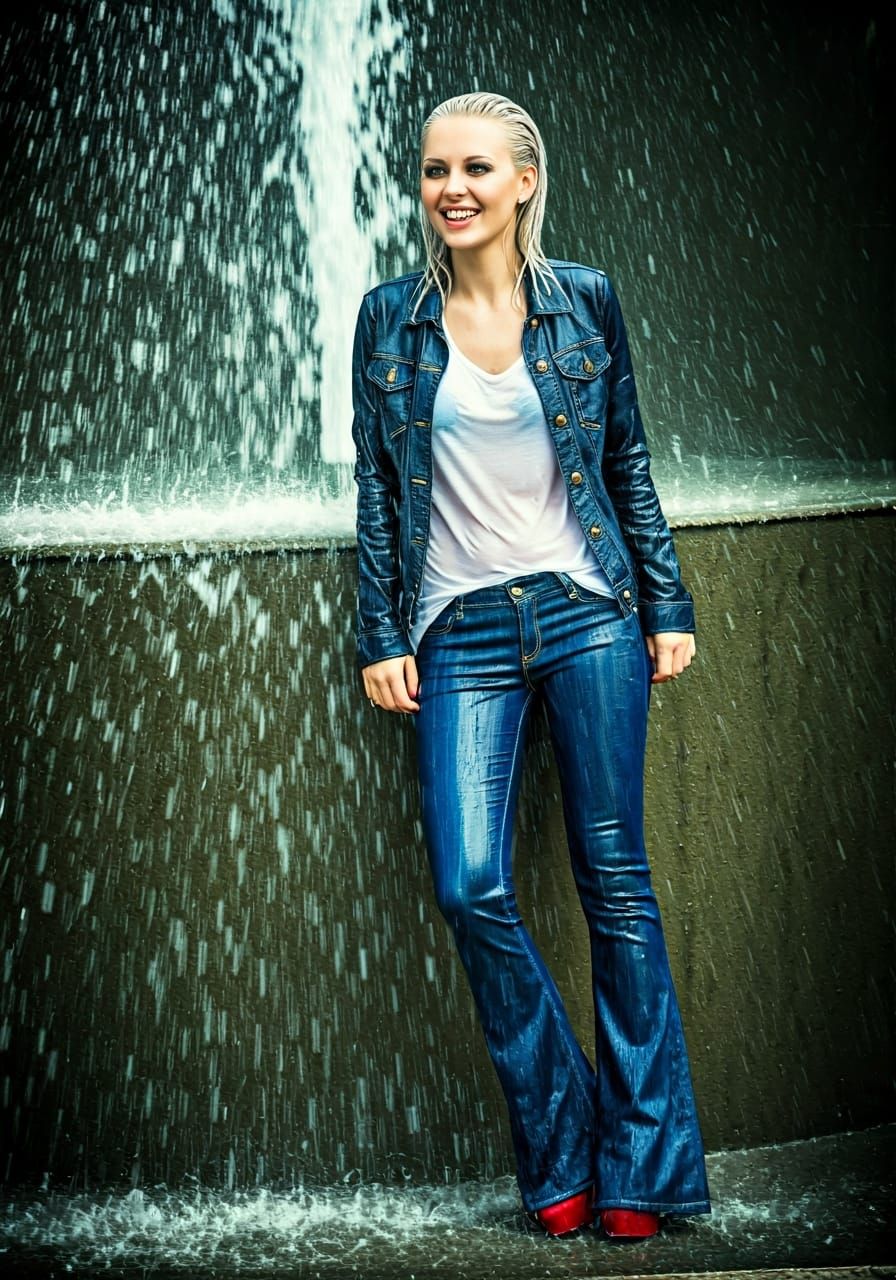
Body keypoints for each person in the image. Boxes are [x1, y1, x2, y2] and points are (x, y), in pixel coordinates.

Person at [350, 91, 712, 1241]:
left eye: (472, 169)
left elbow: (627, 461)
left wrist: (665, 600)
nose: (449, 188)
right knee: (469, 880)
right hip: (458, 627)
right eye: (431, 171)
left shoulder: (585, 303)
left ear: (522, 182)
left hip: (585, 612)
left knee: (615, 881)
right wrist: (379, 630)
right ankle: (565, 1132)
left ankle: (640, 1167)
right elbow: (373, 489)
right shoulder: (387, 318)